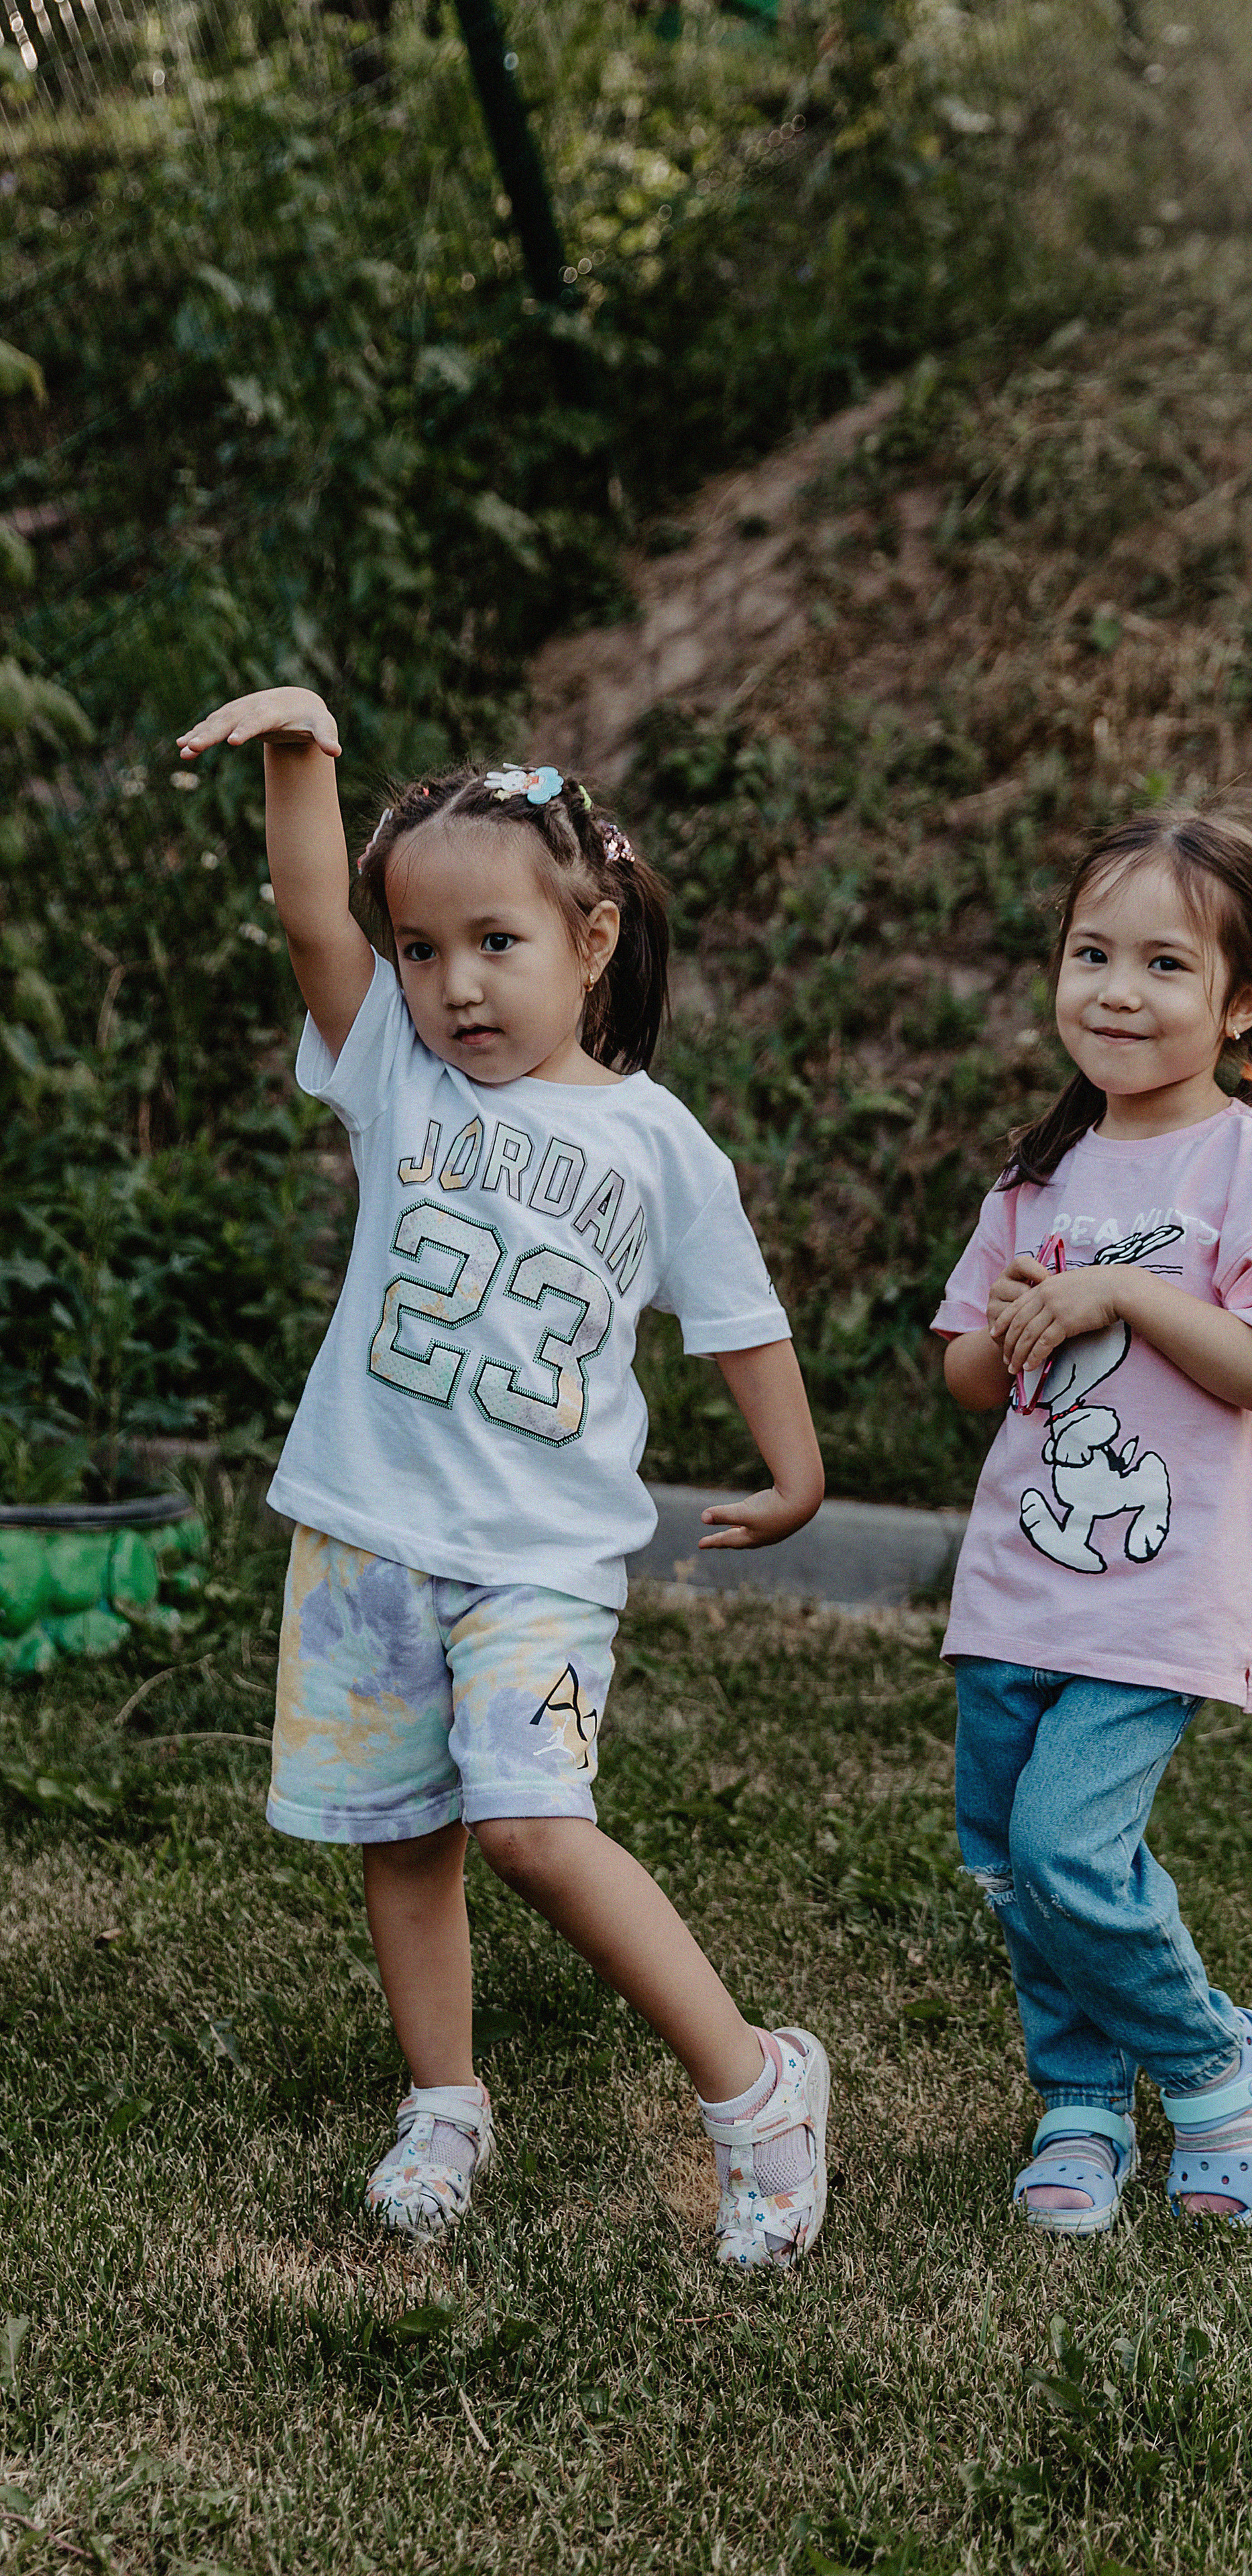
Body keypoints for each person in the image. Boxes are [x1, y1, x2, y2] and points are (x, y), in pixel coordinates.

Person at [176, 688, 830, 2267]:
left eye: (494, 943)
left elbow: (740, 1320)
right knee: (403, 1839)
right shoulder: (394, 1075)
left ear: (590, 940)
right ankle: (444, 2103)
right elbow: (309, 915)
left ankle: (757, 2092)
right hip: (366, 1539)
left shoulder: (660, 1146)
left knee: (534, 1829)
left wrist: (796, 1474)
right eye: (420, 949)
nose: (452, 984)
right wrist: (302, 757)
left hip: (539, 1561)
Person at [932, 809, 1252, 2235]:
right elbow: (966, 1375)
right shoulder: (1037, 1173)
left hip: (1163, 1590)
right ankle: (1081, 2099)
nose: (1116, 990)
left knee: (1067, 1849)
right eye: (1091, 953)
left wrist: (1126, 1294)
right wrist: (1007, 1324)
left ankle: (1210, 2063)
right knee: (1006, 1857)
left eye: (1165, 964)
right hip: (1019, 1578)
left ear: (1242, 1000)